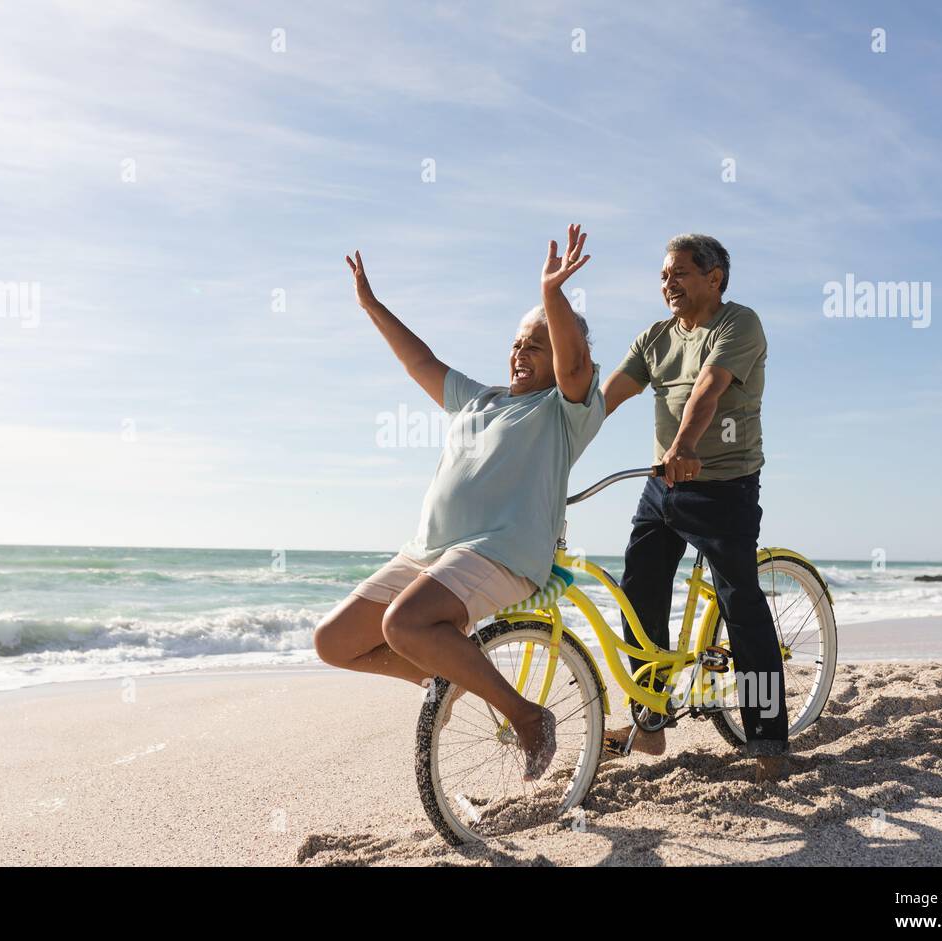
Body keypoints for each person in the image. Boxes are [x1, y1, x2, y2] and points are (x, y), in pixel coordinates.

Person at [314, 225, 606, 781]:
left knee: (406, 622)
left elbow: (573, 365)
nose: (521, 352)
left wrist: (552, 295)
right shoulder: (482, 399)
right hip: (429, 551)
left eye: (535, 344)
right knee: (334, 641)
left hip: (502, 552)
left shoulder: (567, 409)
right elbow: (419, 362)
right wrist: (372, 306)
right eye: (518, 342)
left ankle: (526, 716)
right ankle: (441, 677)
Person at [600, 233, 790, 784]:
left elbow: (709, 386)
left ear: (715, 278)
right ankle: (651, 721)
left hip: (725, 485)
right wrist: (556, 439)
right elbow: (606, 397)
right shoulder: (654, 338)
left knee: (741, 603)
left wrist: (684, 446)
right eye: (663, 275)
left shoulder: (739, 323)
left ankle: (768, 739)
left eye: (680, 273)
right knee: (639, 590)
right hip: (664, 485)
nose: (668, 283)